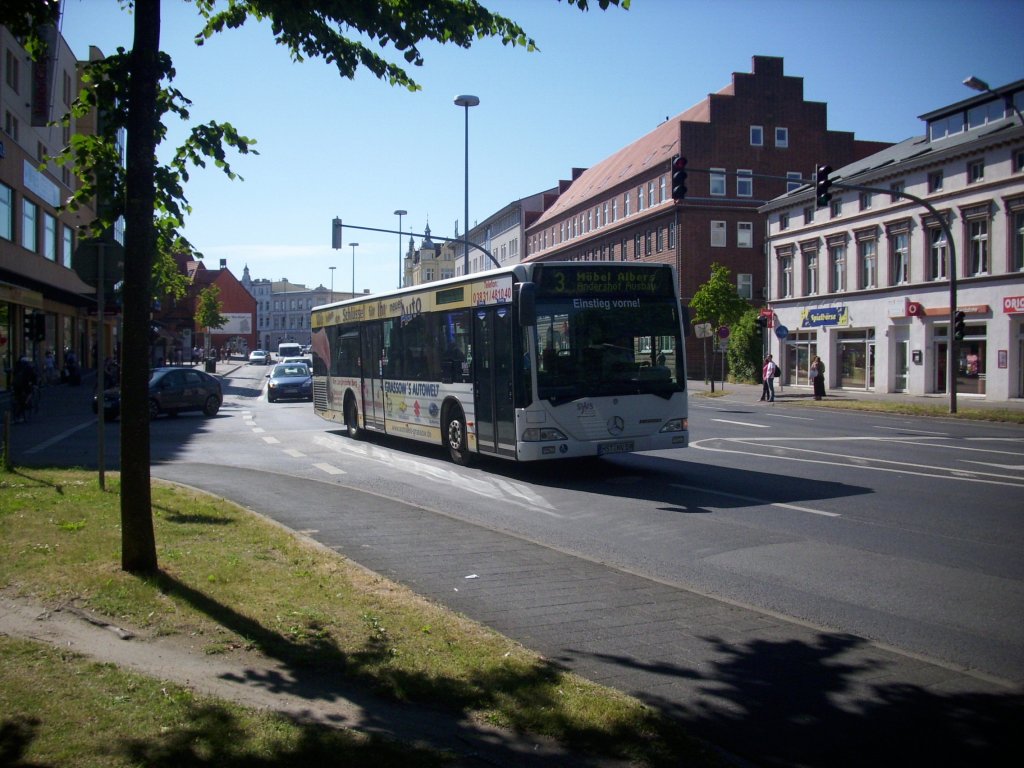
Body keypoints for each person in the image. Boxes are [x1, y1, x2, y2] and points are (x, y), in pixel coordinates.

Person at [12, 356, 39, 422]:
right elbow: (33, 376)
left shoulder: (17, 367)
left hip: (16, 385)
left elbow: (14, 374)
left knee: (17, 397)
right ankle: (24, 405)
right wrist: (35, 384)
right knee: (29, 394)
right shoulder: (28, 367)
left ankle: (16, 404)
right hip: (24, 385)